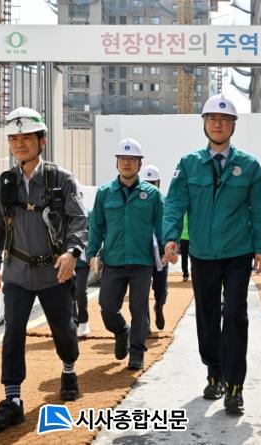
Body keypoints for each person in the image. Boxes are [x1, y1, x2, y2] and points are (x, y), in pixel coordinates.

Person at [162, 93, 261, 414]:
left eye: (224, 120)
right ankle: (214, 371)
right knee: (208, 316)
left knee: (235, 314)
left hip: (237, 253)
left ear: (233, 125)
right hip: (203, 254)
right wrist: (170, 238)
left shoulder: (249, 166)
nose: (218, 124)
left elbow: (260, 208)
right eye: (212, 119)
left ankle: (235, 386)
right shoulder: (188, 164)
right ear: (205, 124)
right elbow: (174, 203)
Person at [0, 107, 88, 432]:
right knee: (13, 333)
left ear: (42, 140)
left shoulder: (61, 179)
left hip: (55, 273)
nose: (19, 144)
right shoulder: (3, 184)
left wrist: (72, 252)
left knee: (64, 332)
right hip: (16, 273)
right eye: (14, 138)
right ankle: (12, 399)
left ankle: (68, 370)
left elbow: (79, 219)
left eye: (26, 137)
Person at [88, 138, 164, 371]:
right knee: (107, 307)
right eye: (122, 159)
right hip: (113, 261)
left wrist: (165, 250)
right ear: (117, 163)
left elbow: (160, 226)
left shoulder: (152, 195)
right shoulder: (104, 193)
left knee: (139, 308)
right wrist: (91, 253)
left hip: (142, 261)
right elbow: (96, 226)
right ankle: (121, 331)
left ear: (140, 163)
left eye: (132, 159)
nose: (127, 163)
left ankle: (137, 351)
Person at [140, 164, 168, 331]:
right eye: (147, 183)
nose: (150, 186)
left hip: (161, 252)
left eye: (153, 183)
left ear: (159, 182)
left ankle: (159, 306)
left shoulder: (165, 201)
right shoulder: (135, 200)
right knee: (141, 290)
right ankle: (145, 324)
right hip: (141, 251)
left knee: (161, 290)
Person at [74, 209, 92, 337]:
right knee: (66, 294)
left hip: (83, 262)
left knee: (80, 291)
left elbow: (94, 233)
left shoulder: (88, 213)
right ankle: (72, 323)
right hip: (64, 260)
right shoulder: (61, 212)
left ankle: (83, 321)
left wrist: (94, 254)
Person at [180, 214, 190, 281]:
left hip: (187, 238)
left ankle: (186, 275)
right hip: (185, 238)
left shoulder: (182, 213)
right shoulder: (183, 214)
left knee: (185, 257)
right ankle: (186, 274)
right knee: (185, 257)